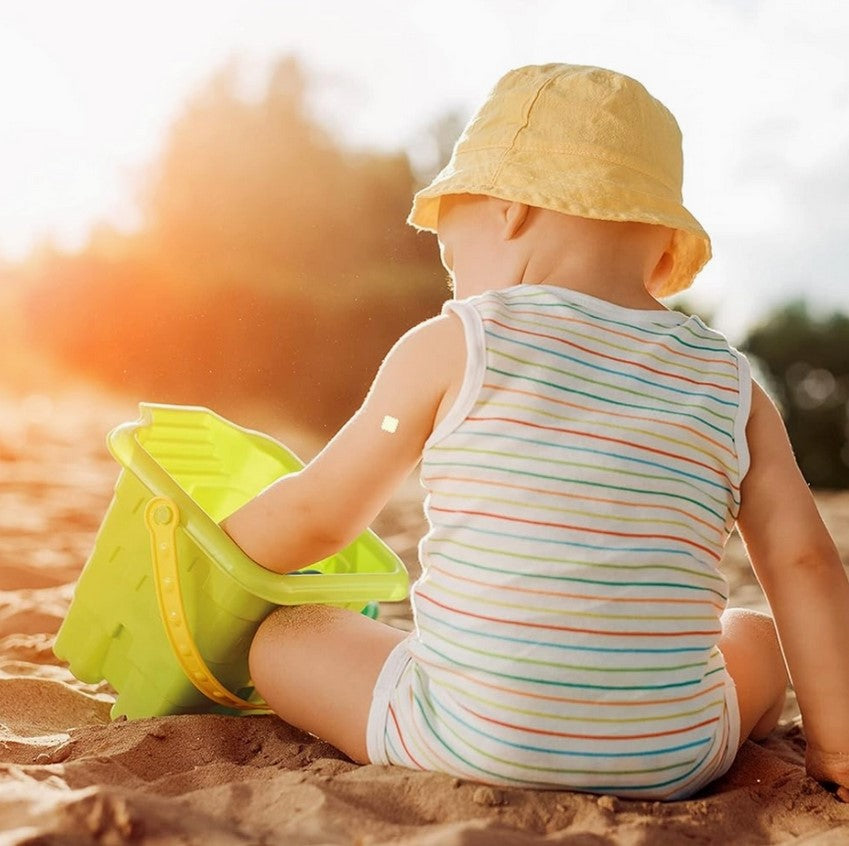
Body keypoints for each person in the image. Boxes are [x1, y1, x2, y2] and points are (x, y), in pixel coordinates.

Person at [221, 63, 849, 801]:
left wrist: (217, 544)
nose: (457, 286)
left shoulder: (455, 341)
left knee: (287, 638)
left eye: (453, 261)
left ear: (511, 211)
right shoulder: (729, 381)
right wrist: (835, 748)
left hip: (463, 737)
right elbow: (804, 562)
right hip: (673, 757)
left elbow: (317, 512)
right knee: (755, 635)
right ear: (659, 246)